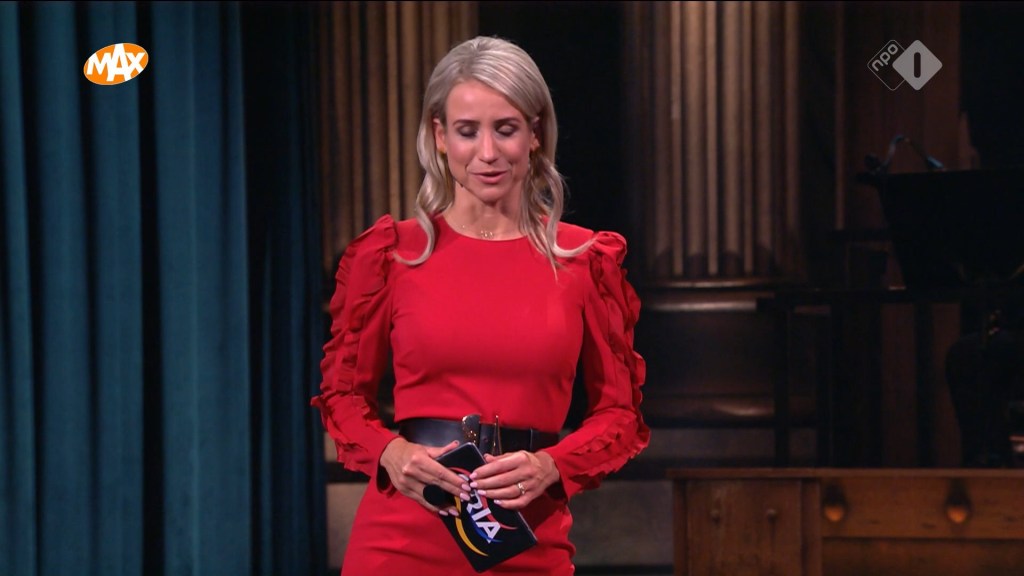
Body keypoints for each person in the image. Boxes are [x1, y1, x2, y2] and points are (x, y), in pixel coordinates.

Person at [311, 35, 649, 574]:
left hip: (526, 535)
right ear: (439, 136)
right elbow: (343, 396)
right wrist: (392, 453)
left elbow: (619, 415)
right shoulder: (393, 255)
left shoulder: (585, 261)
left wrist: (552, 465)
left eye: (506, 129)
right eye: (467, 131)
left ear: (535, 134)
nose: (487, 153)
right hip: (404, 536)